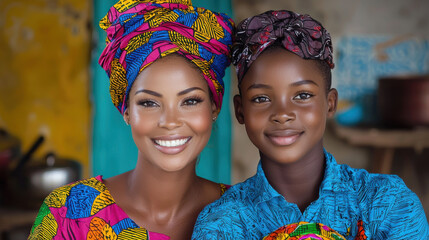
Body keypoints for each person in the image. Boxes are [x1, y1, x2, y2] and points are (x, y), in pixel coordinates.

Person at [192, 10, 429, 239]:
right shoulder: (223, 223)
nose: (282, 114)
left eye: (302, 95)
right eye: (261, 98)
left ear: (330, 103)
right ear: (240, 110)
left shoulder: (388, 203)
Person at [28, 0, 233, 239]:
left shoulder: (249, 218)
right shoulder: (68, 214)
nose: (170, 121)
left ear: (214, 107)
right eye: (149, 103)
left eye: (190, 101)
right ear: (126, 111)